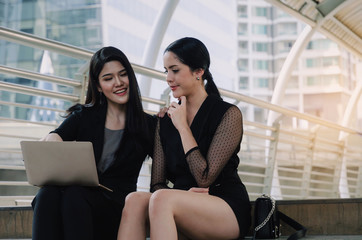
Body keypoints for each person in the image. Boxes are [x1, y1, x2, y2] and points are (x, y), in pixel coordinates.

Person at [117, 37, 251, 240]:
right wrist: (181, 195)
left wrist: (182, 127)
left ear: (198, 72)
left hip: (224, 206)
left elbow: (204, 178)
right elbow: (157, 184)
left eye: (175, 70)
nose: (169, 78)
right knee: (134, 200)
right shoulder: (165, 119)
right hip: (181, 203)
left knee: (162, 199)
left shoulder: (228, 114)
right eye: (166, 71)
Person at [31, 46, 156, 240]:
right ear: (98, 86)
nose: (118, 83)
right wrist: (53, 138)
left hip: (116, 206)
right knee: (48, 194)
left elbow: (171, 162)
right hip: (79, 203)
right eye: (108, 78)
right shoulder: (85, 116)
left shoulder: (148, 125)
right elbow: (55, 135)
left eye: (123, 75)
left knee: (74, 196)